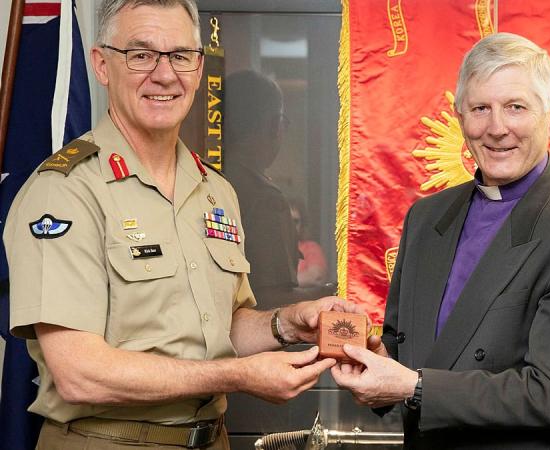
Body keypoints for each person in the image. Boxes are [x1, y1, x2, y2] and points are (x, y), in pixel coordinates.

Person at [3, 1, 360, 448]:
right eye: (140, 54)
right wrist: (237, 375)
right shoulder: (65, 193)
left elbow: (220, 329)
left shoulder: (215, 190)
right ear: (101, 65)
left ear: (198, 66)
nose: (165, 74)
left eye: (179, 55)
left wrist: (286, 324)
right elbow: (79, 374)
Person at [332, 32, 550, 449]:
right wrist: (372, 366)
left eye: (516, 107)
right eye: (480, 108)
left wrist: (413, 387)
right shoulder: (426, 217)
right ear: (459, 116)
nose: (496, 128)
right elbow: (406, 352)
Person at [225, 70, 301, 309]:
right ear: (273, 126)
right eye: (282, 123)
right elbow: (271, 299)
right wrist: (330, 294)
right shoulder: (266, 199)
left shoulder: (209, 176)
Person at [289, 199, 329, 287]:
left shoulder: (311, 248)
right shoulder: (271, 250)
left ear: (302, 225)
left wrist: (282, 283)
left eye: (295, 221)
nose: (290, 225)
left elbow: (316, 277)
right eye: (287, 220)